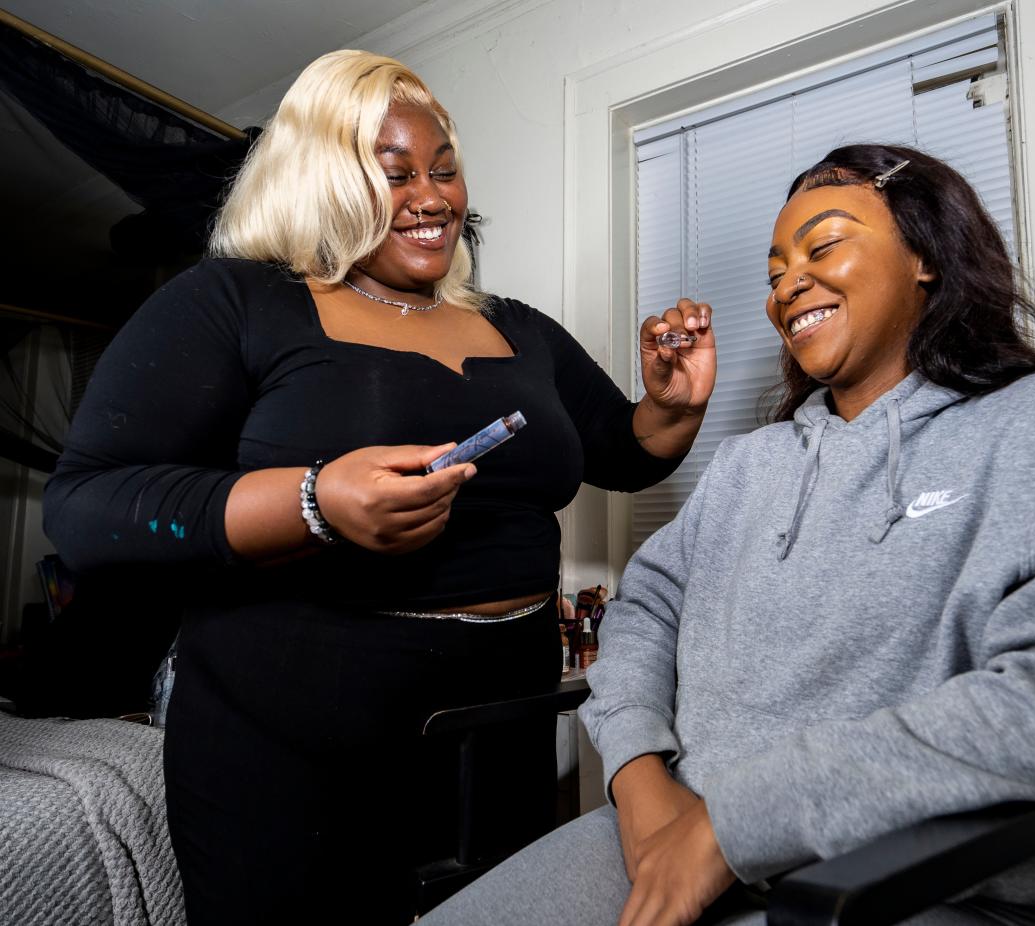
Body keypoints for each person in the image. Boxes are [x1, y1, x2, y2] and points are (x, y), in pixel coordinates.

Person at [421, 145, 1035, 926]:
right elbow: (647, 610)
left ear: (926, 257)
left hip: (925, 883)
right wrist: (638, 778)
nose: (788, 284)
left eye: (824, 244)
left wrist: (735, 824)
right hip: (668, 836)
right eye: (774, 274)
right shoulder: (748, 466)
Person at [41, 50, 716, 926]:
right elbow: (87, 506)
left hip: (496, 733)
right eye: (394, 175)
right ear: (320, 180)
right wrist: (313, 502)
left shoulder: (517, 329)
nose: (433, 198)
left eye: (444, 170)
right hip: (290, 746)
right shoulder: (235, 302)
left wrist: (672, 407)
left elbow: (625, 453)